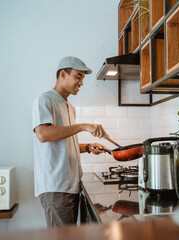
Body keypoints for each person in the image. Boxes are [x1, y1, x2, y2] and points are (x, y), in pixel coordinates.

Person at [32, 56, 110, 227]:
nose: (81, 82)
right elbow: (44, 134)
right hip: (56, 187)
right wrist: (83, 126)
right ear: (62, 74)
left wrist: (88, 147)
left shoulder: (69, 107)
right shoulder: (45, 99)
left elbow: (64, 144)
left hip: (72, 185)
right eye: (78, 76)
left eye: (82, 78)